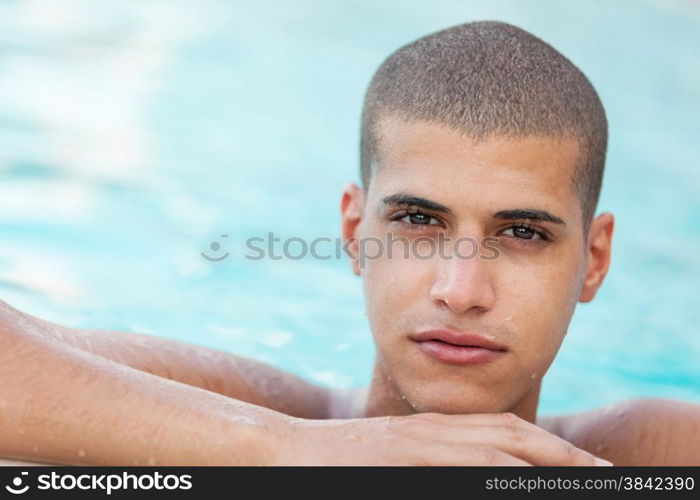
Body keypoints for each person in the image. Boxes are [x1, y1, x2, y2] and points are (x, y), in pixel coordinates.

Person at [1, 21, 698, 466]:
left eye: (522, 233)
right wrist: (294, 453)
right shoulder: (241, 420)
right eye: (418, 222)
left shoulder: (645, 457)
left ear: (594, 260)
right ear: (353, 232)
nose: (461, 292)